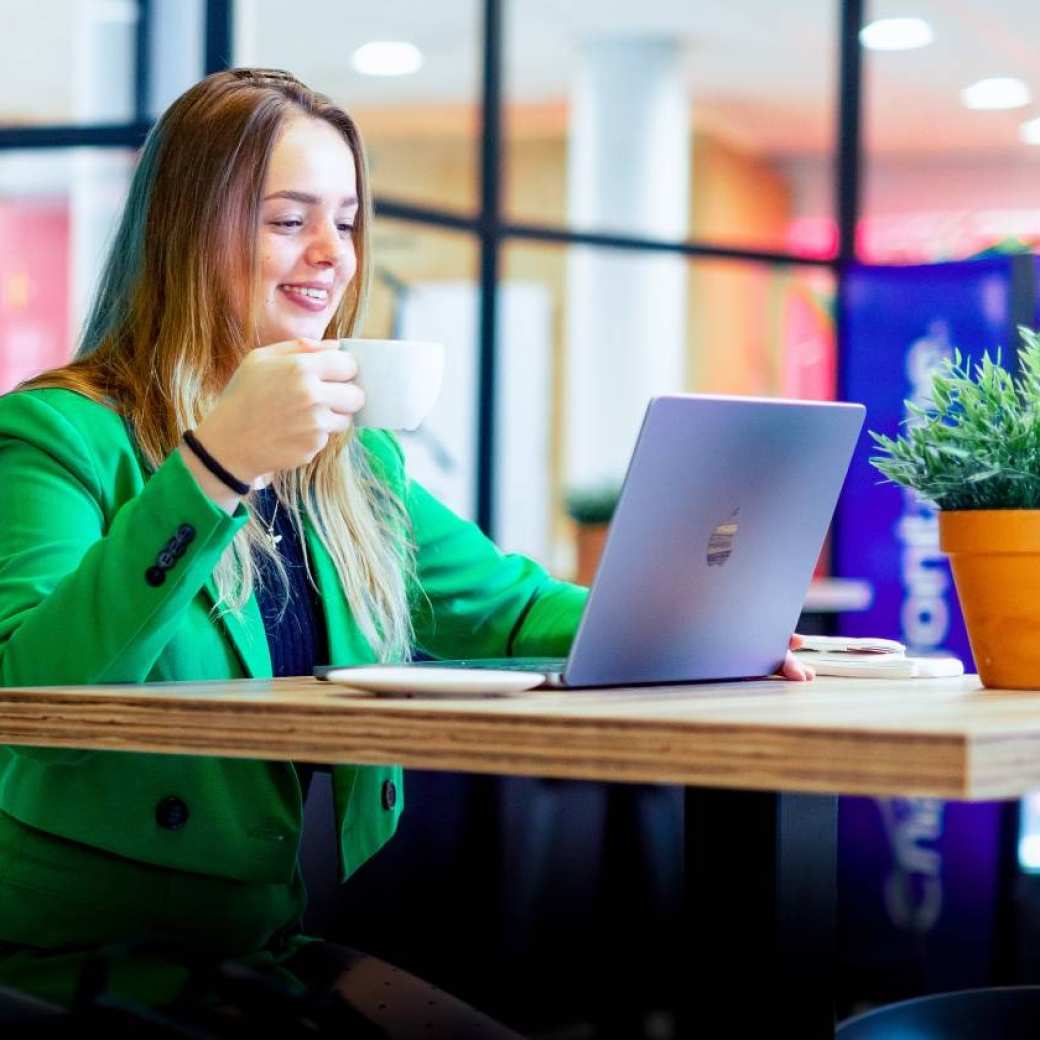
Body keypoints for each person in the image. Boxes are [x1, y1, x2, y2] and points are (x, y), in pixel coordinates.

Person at [0, 68, 812, 1029]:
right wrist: (217, 463)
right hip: (70, 963)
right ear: (187, 232)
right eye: (286, 218)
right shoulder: (58, 433)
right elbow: (31, 692)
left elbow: (502, 606)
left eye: (344, 221)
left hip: (255, 948)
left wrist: (696, 627)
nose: (331, 255)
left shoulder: (350, 460)